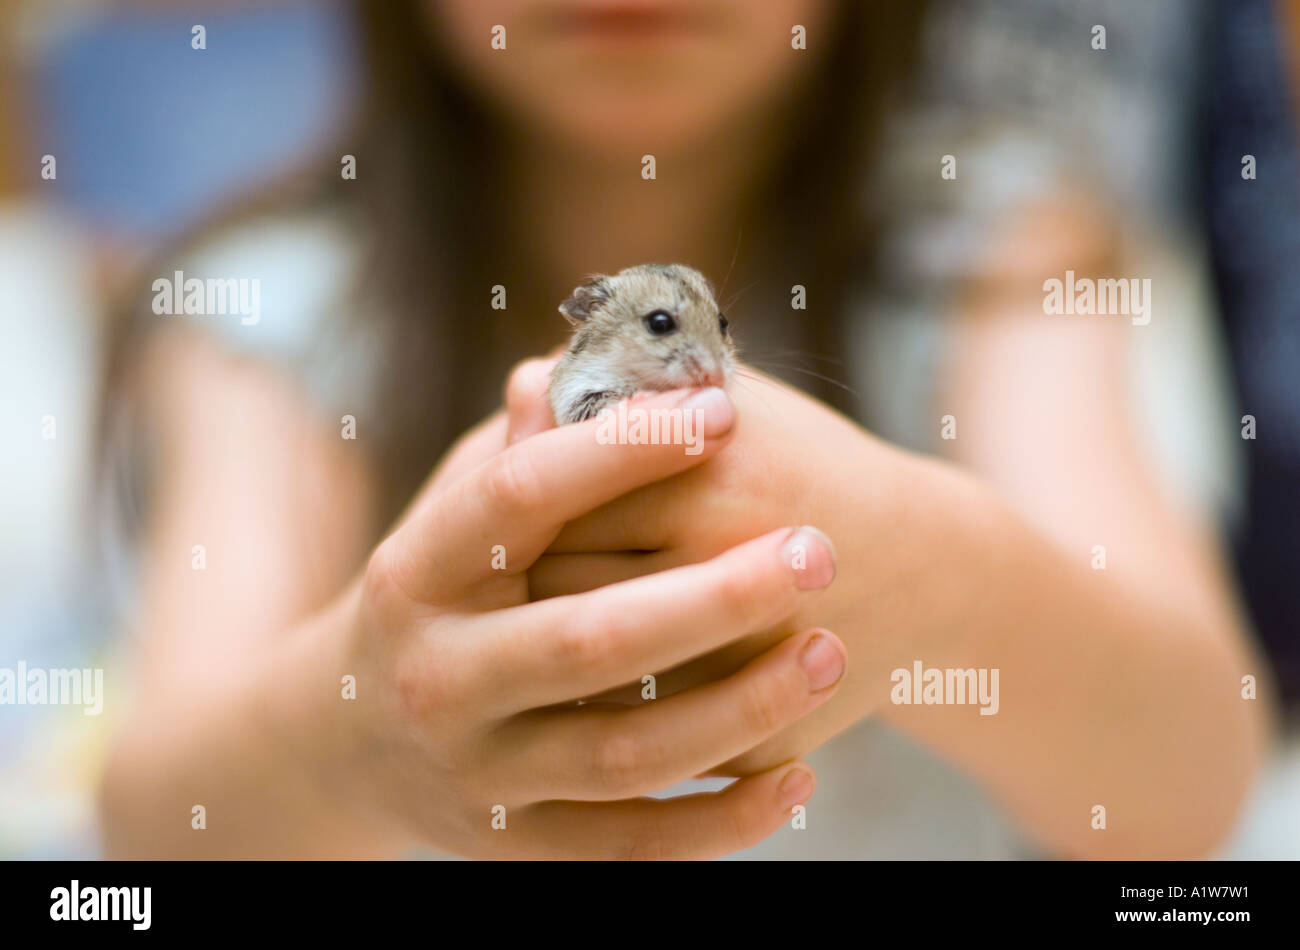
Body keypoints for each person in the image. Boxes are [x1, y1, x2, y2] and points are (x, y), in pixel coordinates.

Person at [96, 0, 1270, 859]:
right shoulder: (265, 316)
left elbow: (1196, 786)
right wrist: (351, 729)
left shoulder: (997, 259)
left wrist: (943, 580)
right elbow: (151, 832)